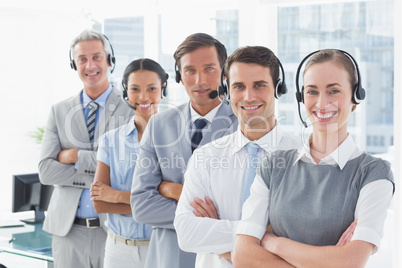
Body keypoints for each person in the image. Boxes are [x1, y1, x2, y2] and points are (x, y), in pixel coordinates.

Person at [233, 49, 395, 267]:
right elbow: (242, 256)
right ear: (301, 97)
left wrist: (274, 243)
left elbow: (350, 262)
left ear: (355, 97)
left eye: (334, 91)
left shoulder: (373, 173)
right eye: (312, 92)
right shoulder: (273, 166)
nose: (321, 103)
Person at [173, 46, 301, 268]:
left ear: (277, 87)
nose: (248, 97)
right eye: (239, 86)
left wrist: (217, 230)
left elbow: (306, 239)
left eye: (259, 85)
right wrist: (268, 236)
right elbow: (187, 233)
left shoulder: (304, 156)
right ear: (226, 91)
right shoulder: (206, 157)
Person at [130, 33, 238, 268]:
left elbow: (245, 211)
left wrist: (172, 190)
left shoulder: (244, 125)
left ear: (225, 73)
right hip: (166, 258)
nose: (200, 79)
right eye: (190, 70)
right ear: (179, 76)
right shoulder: (159, 125)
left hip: (220, 260)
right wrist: (209, 220)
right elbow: (141, 205)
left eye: (209, 68)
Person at [38, 29, 134, 268]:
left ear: (110, 60)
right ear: (74, 64)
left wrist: (75, 156)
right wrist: (102, 168)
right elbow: (46, 172)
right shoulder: (58, 111)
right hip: (68, 233)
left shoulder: (130, 110)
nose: (90, 65)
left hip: (113, 230)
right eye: (82, 59)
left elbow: (129, 169)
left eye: (96, 57)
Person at [90, 58, 167, 267]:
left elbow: (177, 203)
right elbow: (99, 203)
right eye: (135, 89)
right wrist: (151, 201)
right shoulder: (110, 140)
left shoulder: (176, 139)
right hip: (118, 251)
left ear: (163, 88)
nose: (143, 97)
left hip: (161, 248)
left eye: (151, 88)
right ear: (126, 91)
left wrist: (116, 196)